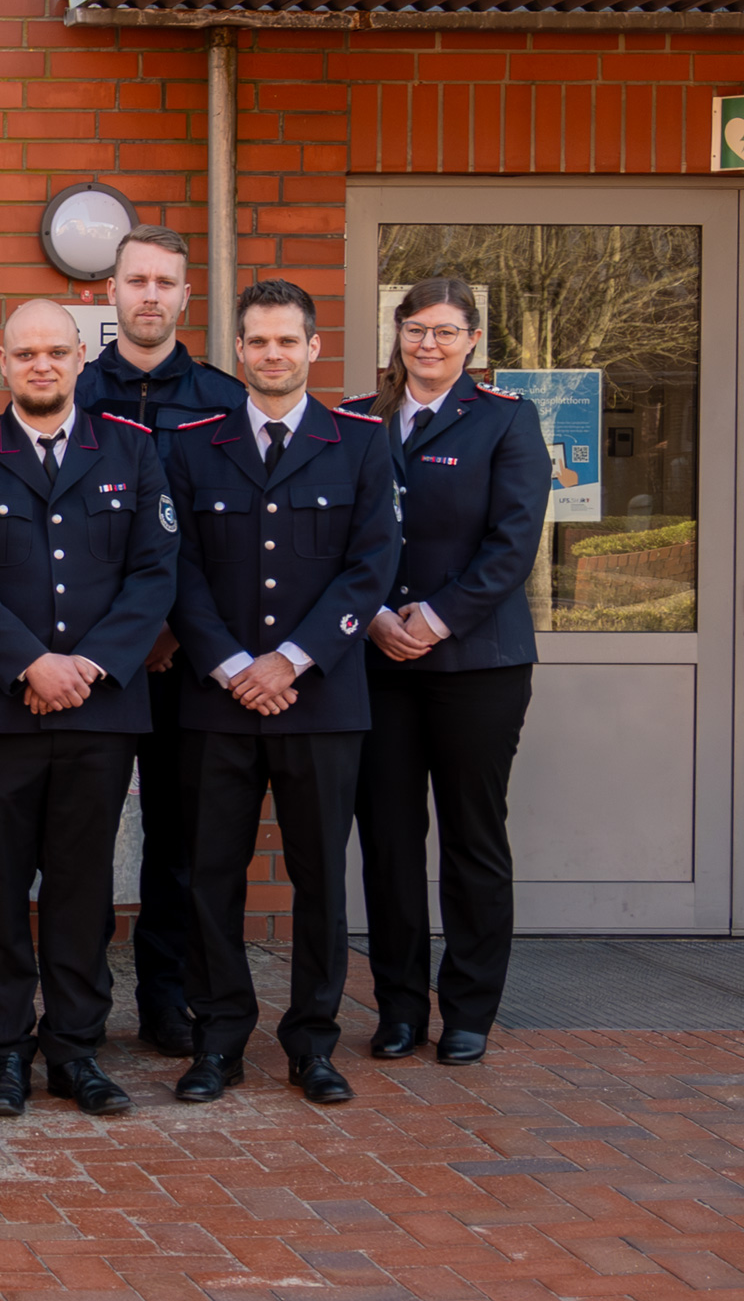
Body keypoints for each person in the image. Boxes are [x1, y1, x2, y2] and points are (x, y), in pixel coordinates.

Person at [0, 301, 177, 1120]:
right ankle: (4, 1052)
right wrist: (30, 664)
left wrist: (88, 666)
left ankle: (75, 1049)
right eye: (25, 353)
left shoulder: (131, 450)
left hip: (99, 712)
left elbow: (154, 573)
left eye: (56, 352)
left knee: (82, 889)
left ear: (79, 361)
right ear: (2, 362)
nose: (41, 365)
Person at [162, 278, 400, 1106]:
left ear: (313, 348)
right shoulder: (193, 445)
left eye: (287, 340)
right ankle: (218, 1041)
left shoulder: (360, 443)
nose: (272, 354)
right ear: (239, 350)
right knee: (210, 878)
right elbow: (176, 568)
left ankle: (313, 1043)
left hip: (320, 699)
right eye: (258, 341)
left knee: (320, 879)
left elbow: (371, 567)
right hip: (217, 701)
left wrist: (291, 661)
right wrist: (234, 665)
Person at [347, 279, 547, 1067]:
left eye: (445, 330)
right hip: (378, 660)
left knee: (472, 836)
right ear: (397, 333)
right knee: (390, 840)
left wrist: (434, 617)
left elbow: (513, 541)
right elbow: (336, 534)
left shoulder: (505, 419)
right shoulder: (358, 418)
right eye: (416, 329)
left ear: (471, 340)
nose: (428, 343)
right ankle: (399, 1009)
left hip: (476, 662)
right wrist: (372, 616)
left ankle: (468, 1010)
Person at [72, 225, 249, 1058]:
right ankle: (79, 1003)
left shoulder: (223, 399)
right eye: (136, 280)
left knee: (182, 842)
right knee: (80, 839)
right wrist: (120, 637)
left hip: (189, 660)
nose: (150, 295)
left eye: (165, 282)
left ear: (185, 295)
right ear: (110, 292)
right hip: (94, 660)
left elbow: (230, 536)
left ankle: (167, 999)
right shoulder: (73, 388)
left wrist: (176, 629)